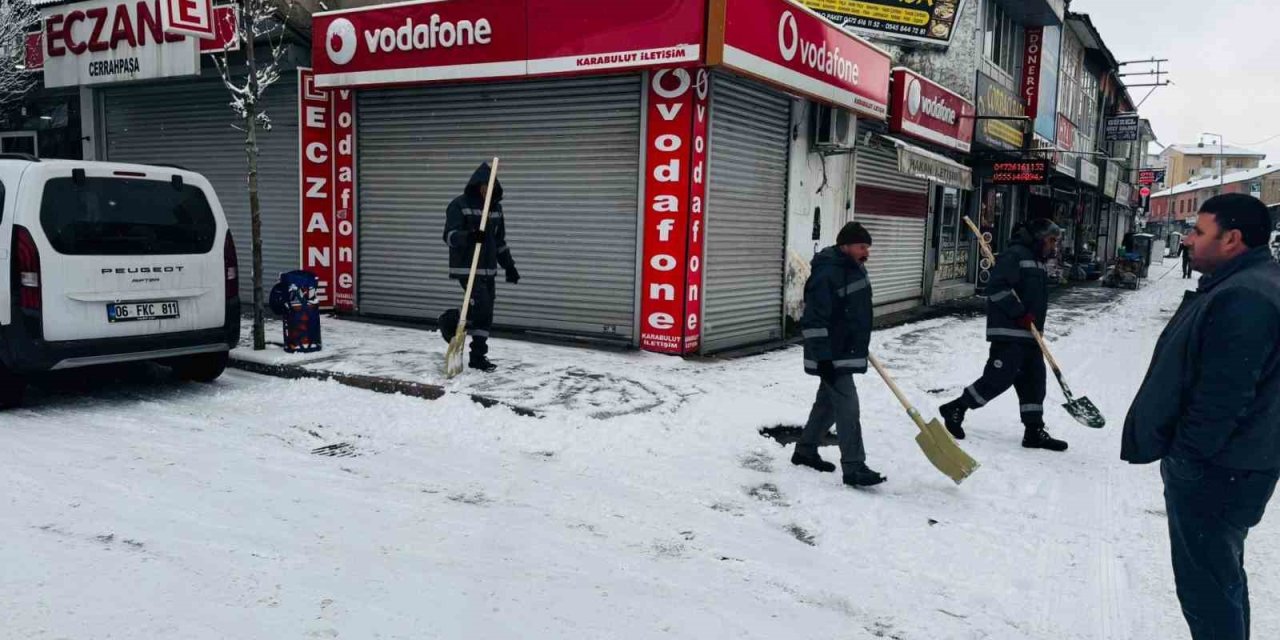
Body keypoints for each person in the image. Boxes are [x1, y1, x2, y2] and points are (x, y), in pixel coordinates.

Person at [1122, 193, 1280, 640]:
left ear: (1232, 239)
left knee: (1206, 587)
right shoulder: (1251, 284)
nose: (1187, 240)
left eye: (1198, 231)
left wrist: (1187, 458)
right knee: (1221, 577)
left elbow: (1223, 397)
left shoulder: (1246, 297)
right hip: (1234, 464)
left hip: (1220, 469)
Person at [939, 218, 1068, 452]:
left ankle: (1033, 431)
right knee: (999, 378)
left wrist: (1033, 323)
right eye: (1051, 240)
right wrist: (1019, 313)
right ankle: (957, 407)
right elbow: (996, 288)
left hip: (1031, 334)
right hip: (1009, 333)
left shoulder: (1038, 261)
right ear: (1039, 238)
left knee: (1034, 382)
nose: (1054, 246)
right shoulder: (1015, 256)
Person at [792, 221, 885, 488]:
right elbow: (813, 319)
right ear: (845, 246)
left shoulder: (853, 268)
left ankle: (805, 450)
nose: (866, 251)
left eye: (868, 247)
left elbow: (851, 311)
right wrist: (822, 358)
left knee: (828, 404)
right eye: (861, 246)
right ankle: (854, 466)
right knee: (848, 407)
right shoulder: (827, 273)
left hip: (845, 349)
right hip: (831, 354)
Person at [440, 162, 520, 372]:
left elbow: (500, 241)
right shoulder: (459, 204)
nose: (487, 191)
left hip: (488, 269)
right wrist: (470, 236)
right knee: (482, 306)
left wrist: (509, 267)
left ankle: (477, 356)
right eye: (484, 186)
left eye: (491, 187)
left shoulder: (496, 209)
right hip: (467, 267)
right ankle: (449, 320)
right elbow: (448, 236)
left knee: (485, 312)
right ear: (477, 185)